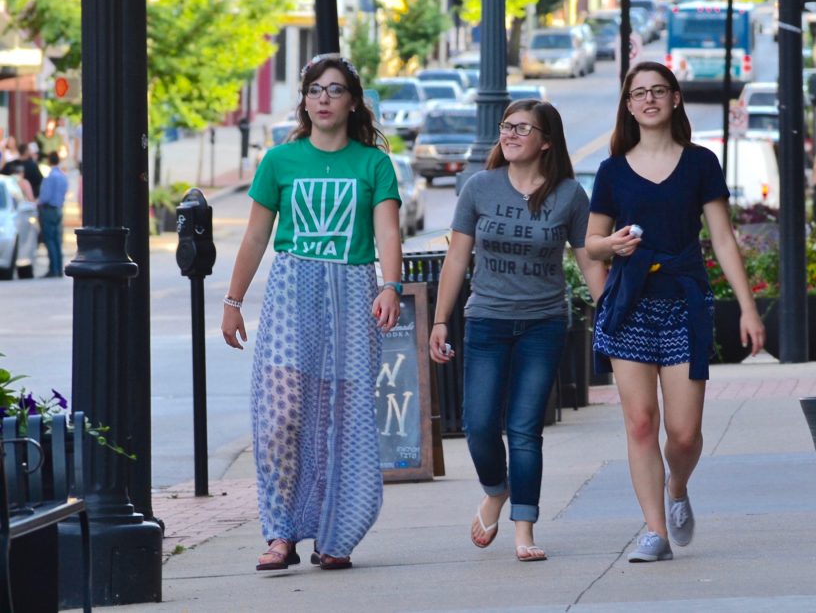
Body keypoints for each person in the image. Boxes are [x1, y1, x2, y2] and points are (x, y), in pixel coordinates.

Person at [221, 53, 402, 572]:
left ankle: (334, 534)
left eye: (335, 90)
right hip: (289, 294)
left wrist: (390, 286)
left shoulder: (373, 163)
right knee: (280, 418)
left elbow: (388, 231)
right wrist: (233, 302)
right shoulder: (280, 160)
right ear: (304, 100)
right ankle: (280, 534)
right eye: (315, 90)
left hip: (351, 294)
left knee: (342, 421)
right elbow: (256, 235)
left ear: (352, 102)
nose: (324, 99)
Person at [586, 61, 764, 563]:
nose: (648, 100)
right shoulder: (612, 171)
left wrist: (748, 309)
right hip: (631, 304)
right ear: (628, 106)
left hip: (686, 301)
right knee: (641, 422)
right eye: (638, 93)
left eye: (657, 91)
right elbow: (591, 244)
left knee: (683, 433)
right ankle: (653, 530)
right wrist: (612, 247)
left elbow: (724, 240)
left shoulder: (701, 162)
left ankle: (678, 486)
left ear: (675, 99)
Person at [429, 99, 606, 562]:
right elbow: (456, 259)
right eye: (506, 126)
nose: (509, 134)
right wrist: (440, 319)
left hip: (543, 323)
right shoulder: (478, 187)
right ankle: (496, 489)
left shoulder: (569, 195)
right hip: (486, 318)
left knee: (524, 429)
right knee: (479, 425)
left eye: (522, 128)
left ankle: (524, 530)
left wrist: (607, 308)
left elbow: (587, 258)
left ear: (546, 140)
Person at [36, 153, 68, 278]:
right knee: (57, 240)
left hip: (49, 210)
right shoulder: (62, 176)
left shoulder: (50, 177)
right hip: (59, 209)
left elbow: (45, 197)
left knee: (50, 240)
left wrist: (38, 203)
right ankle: (59, 268)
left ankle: (53, 269)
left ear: (49, 161)